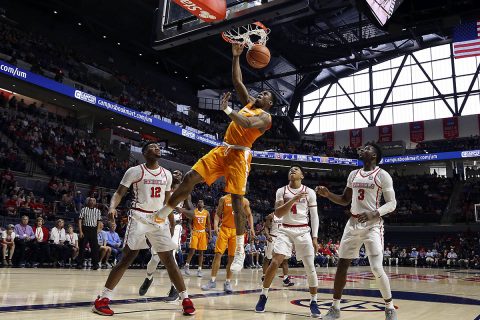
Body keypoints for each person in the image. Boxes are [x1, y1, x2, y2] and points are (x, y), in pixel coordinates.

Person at [154, 43, 276, 272]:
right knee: (190, 177)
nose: (262, 94)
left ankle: (239, 251)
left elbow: (247, 123)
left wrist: (228, 111)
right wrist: (236, 57)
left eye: (266, 95)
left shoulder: (266, 117)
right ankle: (163, 212)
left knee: (238, 202)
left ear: (270, 103)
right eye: (261, 92)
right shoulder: (250, 103)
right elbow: (238, 82)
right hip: (223, 149)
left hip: (240, 156)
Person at [92, 142, 195, 316]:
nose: (157, 148)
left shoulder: (167, 175)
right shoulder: (134, 171)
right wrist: (111, 207)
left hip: (158, 217)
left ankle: (185, 299)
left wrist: (170, 222)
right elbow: (119, 193)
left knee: (169, 258)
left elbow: (168, 201)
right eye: (153, 147)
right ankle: (102, 299)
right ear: (145, 153)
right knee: (127, 257)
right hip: (139, 216)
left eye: (158, 147)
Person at [315, 143, 398, 320]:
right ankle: (335, 308)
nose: (362, 149)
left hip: (373, 224)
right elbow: (345, 200)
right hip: (352, 223)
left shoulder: (382, 175)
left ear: (374, 155)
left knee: (376, 268)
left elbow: (392, 204)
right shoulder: (353, 174)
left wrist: (374, 213)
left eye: (367, 148)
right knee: (341, 265)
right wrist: (328, 194)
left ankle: (389, 307)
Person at [256, 166, 320, 318]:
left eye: (296, 169)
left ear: (302, 175)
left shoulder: (309, 192)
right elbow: (278, 213)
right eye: (290, 169)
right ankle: (263, 295)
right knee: (274, 262)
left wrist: (315, 237)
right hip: (284, 229)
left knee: (310, 266)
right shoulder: (281, 191)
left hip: (303, 230)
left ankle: (314, 301)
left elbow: (314, 216)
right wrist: (294, 199)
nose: (292, 171)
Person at [201, 194, 255, 293]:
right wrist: (216, 226)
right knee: (218, 254)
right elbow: (217, 214)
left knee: (232, 257)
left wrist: (251, 228)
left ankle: (228, 282)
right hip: (224, 229)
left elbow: (249, 215)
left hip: (237, 232)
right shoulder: (224, 199)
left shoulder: (245, 201)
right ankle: (212, 281)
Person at [262, 212, 294, 287]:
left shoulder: (288, 216)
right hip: (272, 238)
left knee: (285, 260)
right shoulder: (271, 216)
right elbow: (266, 227)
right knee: (268, 258)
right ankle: (264, 276)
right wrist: (267, 235)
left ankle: (286, 279)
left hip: (283, 239)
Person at [183, 200, 211, 277]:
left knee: (201, 252)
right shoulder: (193, 212)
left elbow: (208, 224)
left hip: (203, 233)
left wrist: (210, 235)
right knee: (192, 250)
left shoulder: (207, 213)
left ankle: (199, 269)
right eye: (199, 202)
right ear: (197, 204)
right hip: (195, 232)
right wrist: (191, 230)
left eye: (201, 202)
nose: (200, 203)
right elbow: (189, 223)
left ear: (204, 204)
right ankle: (187, 265)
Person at [77, 197, 102, 270]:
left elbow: (99, 221)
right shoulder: (84, 209)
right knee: (82, 247)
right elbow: (80, 221)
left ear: (95, 202)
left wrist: (97, 230)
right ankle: (79, 264)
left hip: (93, 229)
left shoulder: (97, 211)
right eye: (90, 200)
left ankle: (95, 264)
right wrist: (81, 231)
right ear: (88, 202)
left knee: (95, 248)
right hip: (85, 228)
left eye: (93, 200)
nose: (92, 202)